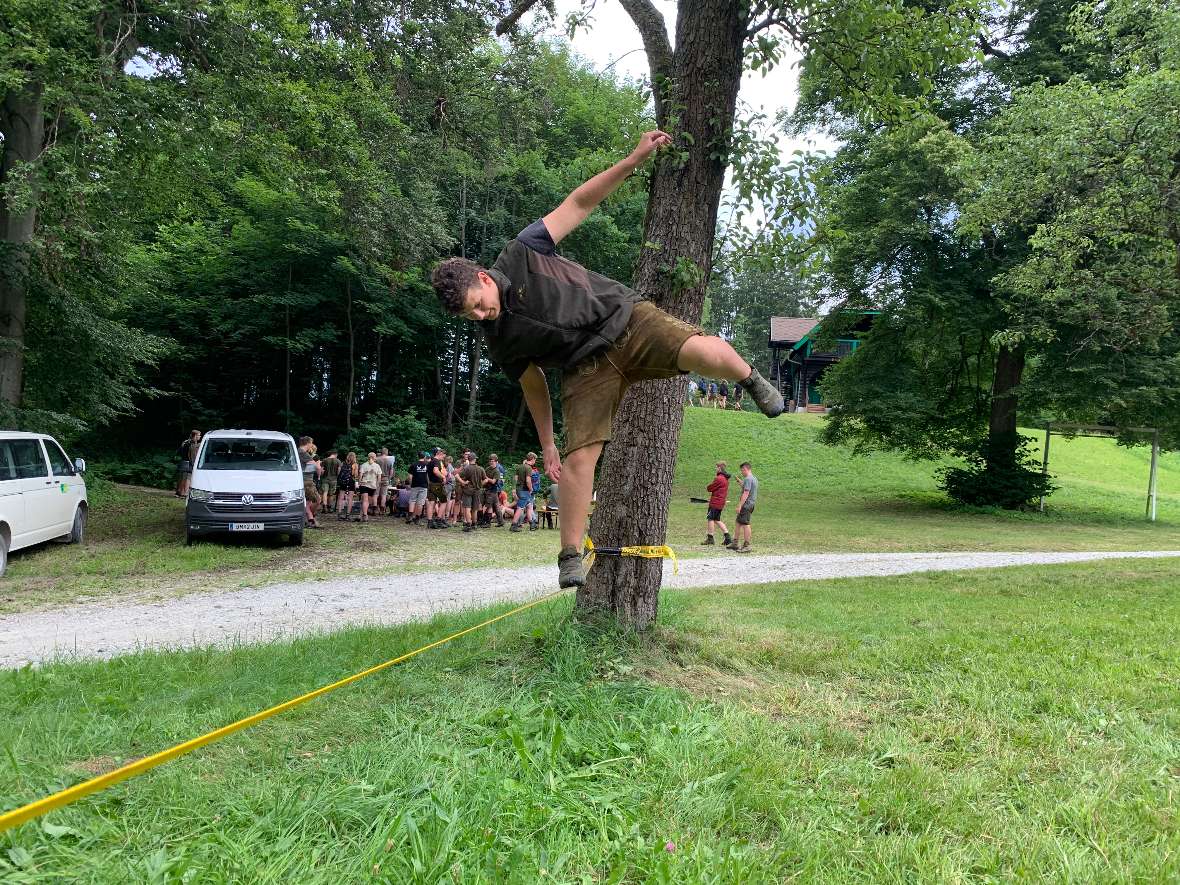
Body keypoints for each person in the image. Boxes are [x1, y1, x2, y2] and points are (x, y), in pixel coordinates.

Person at [430, 132, 783, 587]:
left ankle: (751, 380)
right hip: (584, 369)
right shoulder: (498, 339)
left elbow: (578, 203)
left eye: (478, 302)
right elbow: (534, 387)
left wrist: (633, 160)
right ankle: (570, 556)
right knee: (581, 458)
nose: (481, 314)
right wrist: (549, 446)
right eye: (470, 314)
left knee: (696, 350)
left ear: (483, 277)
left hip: (625, 319)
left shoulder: (523, 250)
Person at [729, 461, 758, 553]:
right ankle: (735, 543)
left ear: (746, 469)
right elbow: (746, 487)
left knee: (745, 524)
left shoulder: (748, 479)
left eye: (742, 470)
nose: (742, 472)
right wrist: (740, 482)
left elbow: (746, 493)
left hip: (746, 505)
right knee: (738, 523)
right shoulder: (753, 478)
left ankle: (747, 545)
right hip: (750, 504)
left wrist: (739, 505)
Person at [703, 461, 732, 547]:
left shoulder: (719, 478)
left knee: (710, 519)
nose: (716, 469)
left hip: (715, 503)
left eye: (716, 467)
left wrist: (708, 487)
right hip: (720, 502)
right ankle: (727, 537)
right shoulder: (725, 479)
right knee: (717, 520)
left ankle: (710, 538)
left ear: (719, 468)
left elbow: (710, 488)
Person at [457, 452, 487, 532]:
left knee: (467, 507)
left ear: (469, 459)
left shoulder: (466, 468)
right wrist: (480, 485)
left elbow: (456, 475)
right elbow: (486, 479)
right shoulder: (480, 468)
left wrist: (462, 482)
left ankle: (468, 525)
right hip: (477, 491)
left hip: (467, 490)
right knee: (475, 508)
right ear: (475, 459)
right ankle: (474, 524)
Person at [509, 453, 537, 533]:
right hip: (524, 490)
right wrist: (531, 489)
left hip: (519, 489)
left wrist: (514, 489)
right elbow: (528, 481)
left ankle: (532, 524)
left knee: (529, 505)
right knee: (520, 508)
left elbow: (515, 479)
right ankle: (513, 525)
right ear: (533, 459)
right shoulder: (528, 468)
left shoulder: (519, 467)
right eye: (535, 460)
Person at [297, 436, 321, 528]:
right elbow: (317, 467)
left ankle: (310, 519)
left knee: (307, 502)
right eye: (311, 443)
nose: (312, 444)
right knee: (317, 500)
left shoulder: (299, 452)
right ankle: (310, 517)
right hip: (307, 481)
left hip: (303, 480)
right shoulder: (302, 453)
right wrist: (318, 468)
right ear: (308, 443)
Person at [175, 429, 202, 498]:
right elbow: (192, 456)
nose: (200, 437)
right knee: (187, 478)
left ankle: (178, 492)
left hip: (182, 462)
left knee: (181, 478)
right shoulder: (192, 444)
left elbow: (179, 451)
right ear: (195, 436)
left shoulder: (185, 442)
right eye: (199, 435)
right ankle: (184, 493)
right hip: (188, 463)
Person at [407, 451, 431, 525]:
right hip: (424, 486)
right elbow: (428, 477)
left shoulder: (413, 465)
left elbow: (410, 477)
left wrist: (411, 484)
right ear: (424, 457)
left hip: (415, 485)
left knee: (412, 500)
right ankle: (417, 518)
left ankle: (410, 517)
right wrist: (428, 484)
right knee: (420, 503)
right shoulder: (427, 465)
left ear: (418, 456)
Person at [427, 448, 448, 529]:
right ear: (440, 454)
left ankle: (430, 522)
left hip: (431, 484)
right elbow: (435, 471)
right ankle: (439, 520)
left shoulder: (430, 462)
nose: (443, 458)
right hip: (437, 485)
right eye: (443, 457)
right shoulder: (436, 461)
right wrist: (443, 477)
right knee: (444, 501)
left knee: (431, 502)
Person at [357, 452, 381, 523]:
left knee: (364, 501)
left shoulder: (363, 465)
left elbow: (360, 475)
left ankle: (361, 515)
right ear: (374, 457)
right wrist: (377, 484)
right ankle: (365, 515)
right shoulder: (377, 466)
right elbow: (379, 477)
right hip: (372, 486)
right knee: (367, 501)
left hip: (364, 484)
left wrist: (359, 482)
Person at [336, 451, 358, 519]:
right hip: (350, 481)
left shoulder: (342, 463)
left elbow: (338, 472)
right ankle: (348, 514)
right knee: (350, 498)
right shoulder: (355, 464)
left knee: (341, 498)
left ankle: (339, 514)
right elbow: (355, 474)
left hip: (343, 482)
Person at [376, 446, 395, 516]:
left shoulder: (377, 460)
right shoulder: (390, 461)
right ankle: (382, 510)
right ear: (386, 453)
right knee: (384, 495)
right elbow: (391, 471)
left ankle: (375, 509)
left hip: (377, 479)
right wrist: (389, 478)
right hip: (386, 479)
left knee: (376, 494)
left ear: (381, 452)